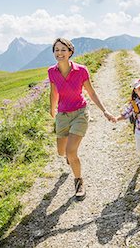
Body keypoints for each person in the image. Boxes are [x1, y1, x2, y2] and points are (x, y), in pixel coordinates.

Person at [48, 37, 115, 200]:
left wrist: (104, 110)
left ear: (70, 52)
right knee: (61, 152)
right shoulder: (51, 71)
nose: (59, 53)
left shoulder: (81, 70)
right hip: (62, 115)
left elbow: (91, 92)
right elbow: (54, 92)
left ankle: (78, 182)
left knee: (71, 151)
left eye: (63, 49)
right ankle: (70, 159)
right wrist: (52, 109)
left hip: (80, 113)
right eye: (56, 50)